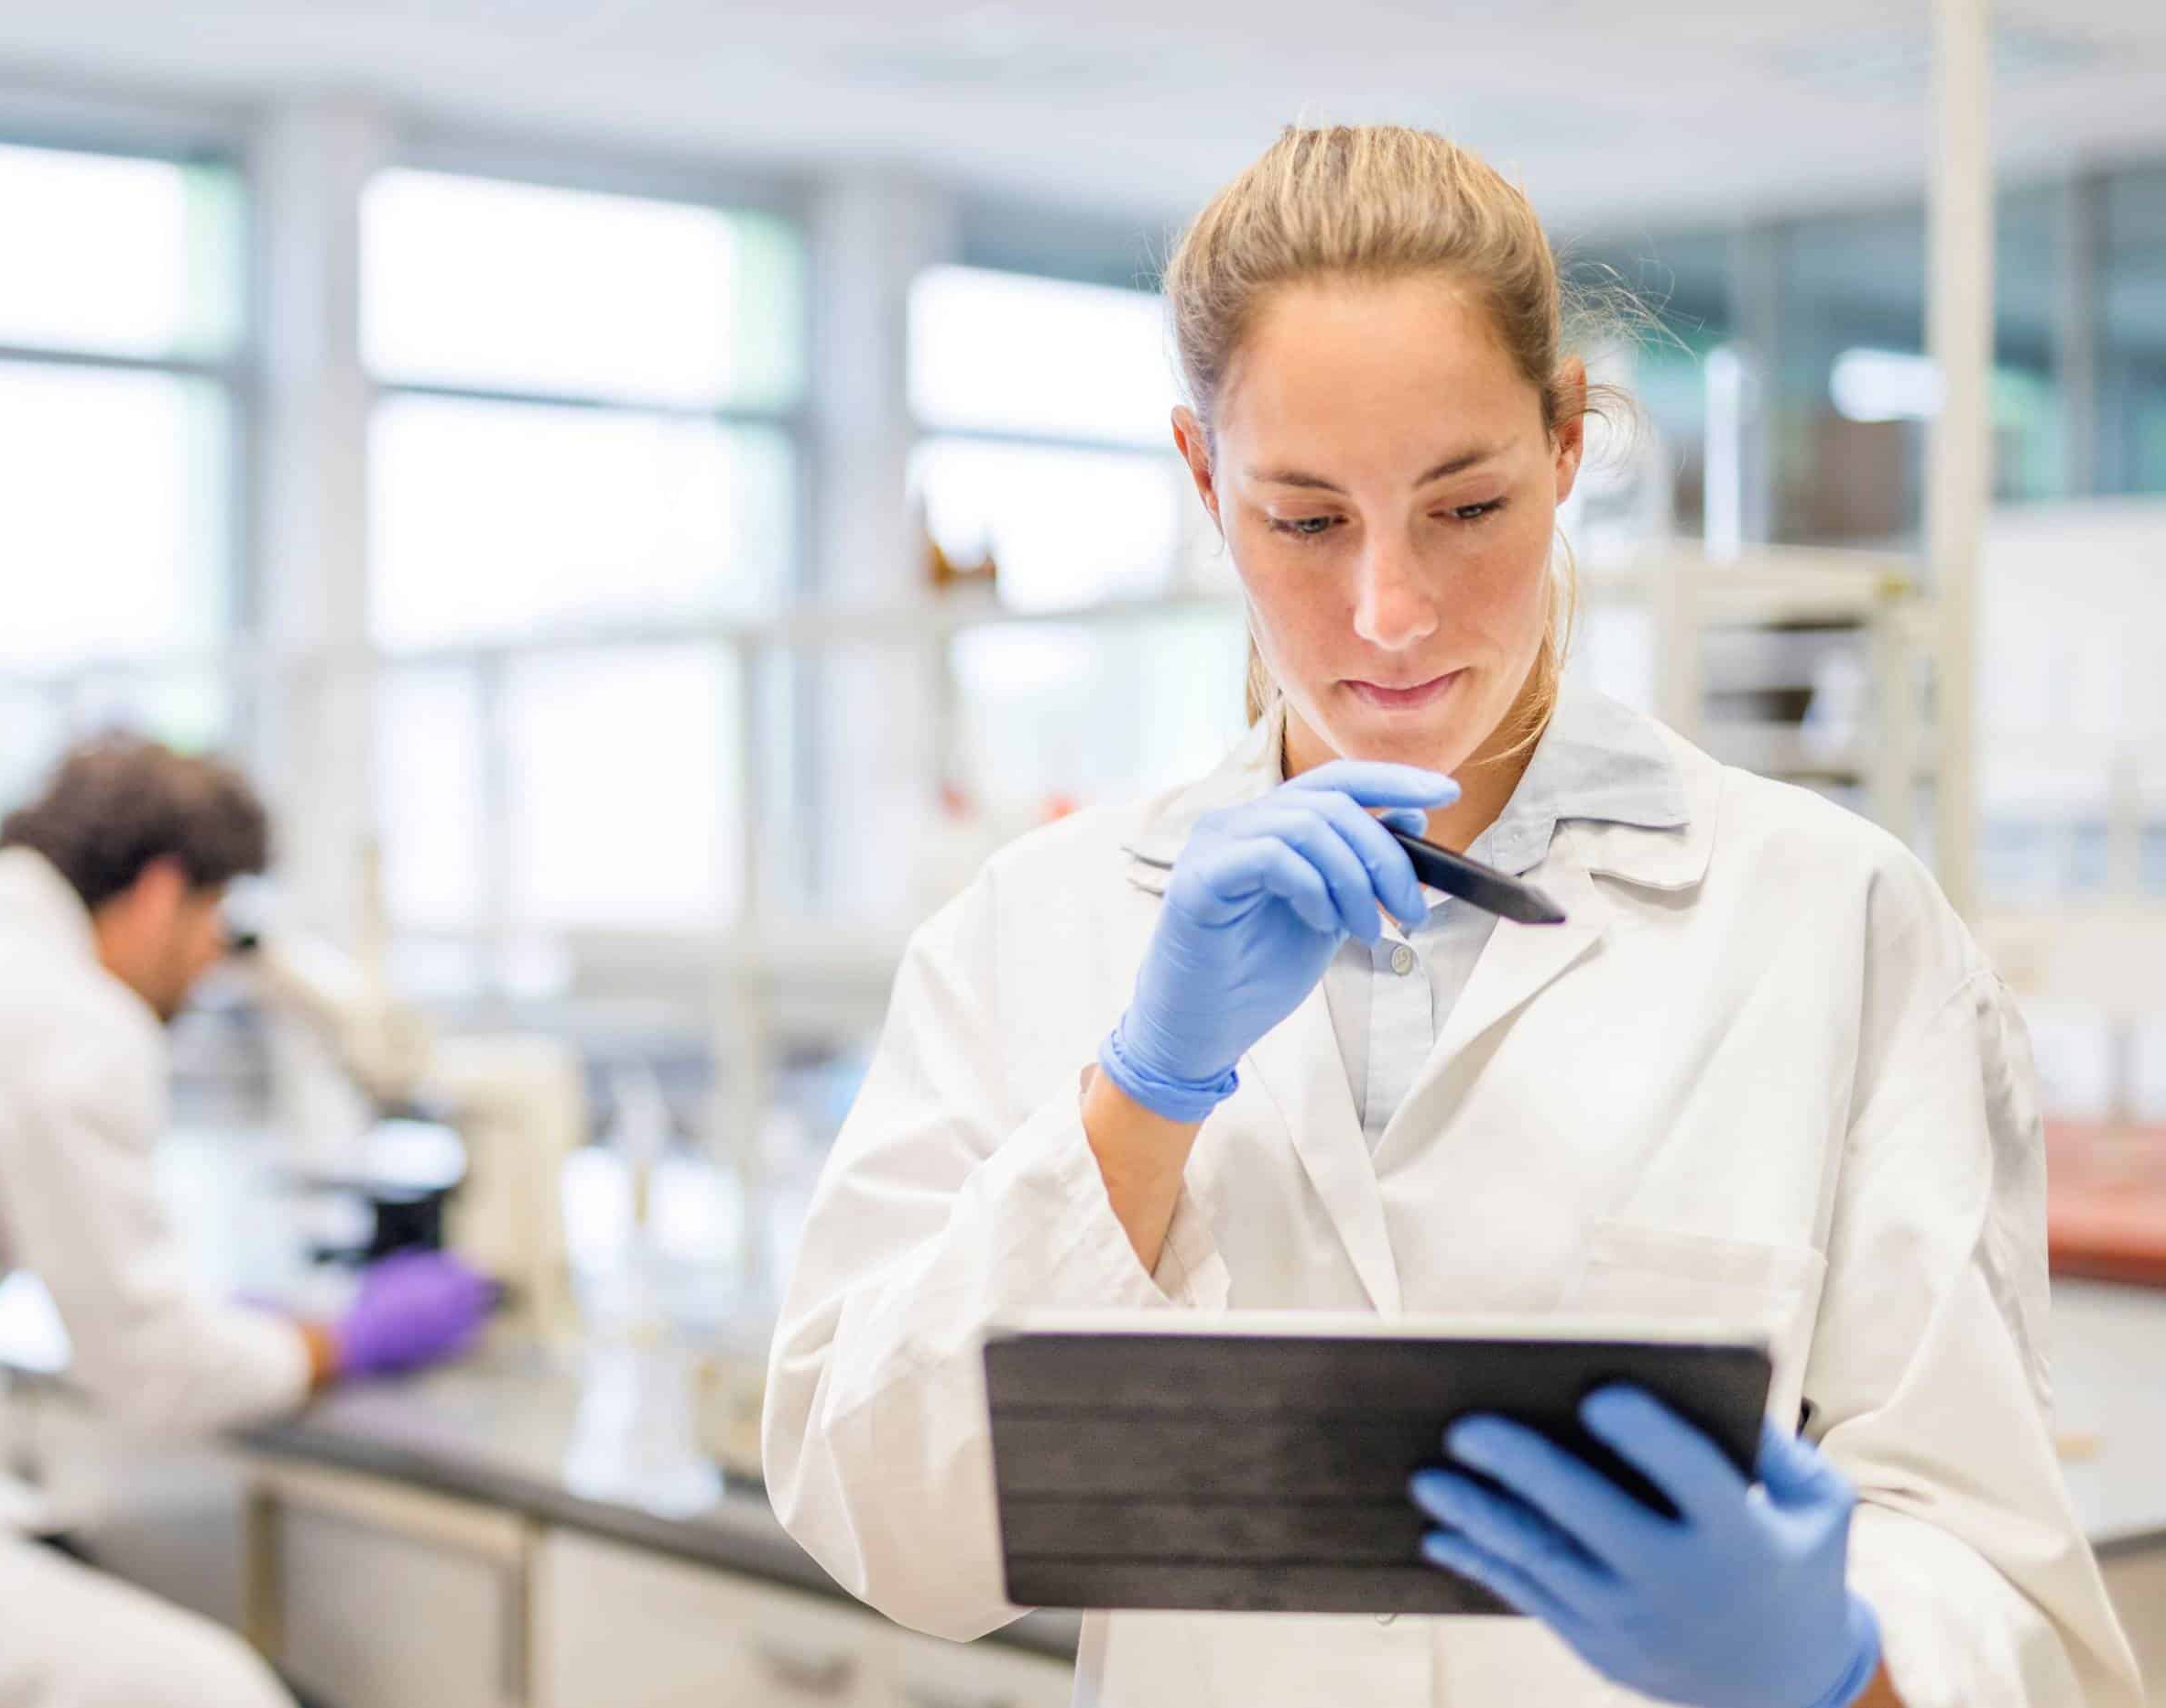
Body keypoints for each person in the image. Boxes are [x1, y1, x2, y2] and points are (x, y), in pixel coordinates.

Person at [764, 126, 2144, 1707]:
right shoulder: (1038, 931)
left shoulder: (1837, 925)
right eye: (1304, 520)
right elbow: (888, 1530)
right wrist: (1135, 1104)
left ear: (1565, 447)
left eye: (1467, 505)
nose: (1392, 611)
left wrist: (1831, 1672)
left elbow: (2003, 1589)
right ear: (1204, 479)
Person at [0, 736, 487, 1708]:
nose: (212, 960)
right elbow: (151, 1367)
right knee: (220, 1692)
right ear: (160, 890)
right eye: (212, 920)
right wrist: (337, 1339)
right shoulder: (73, 1017)